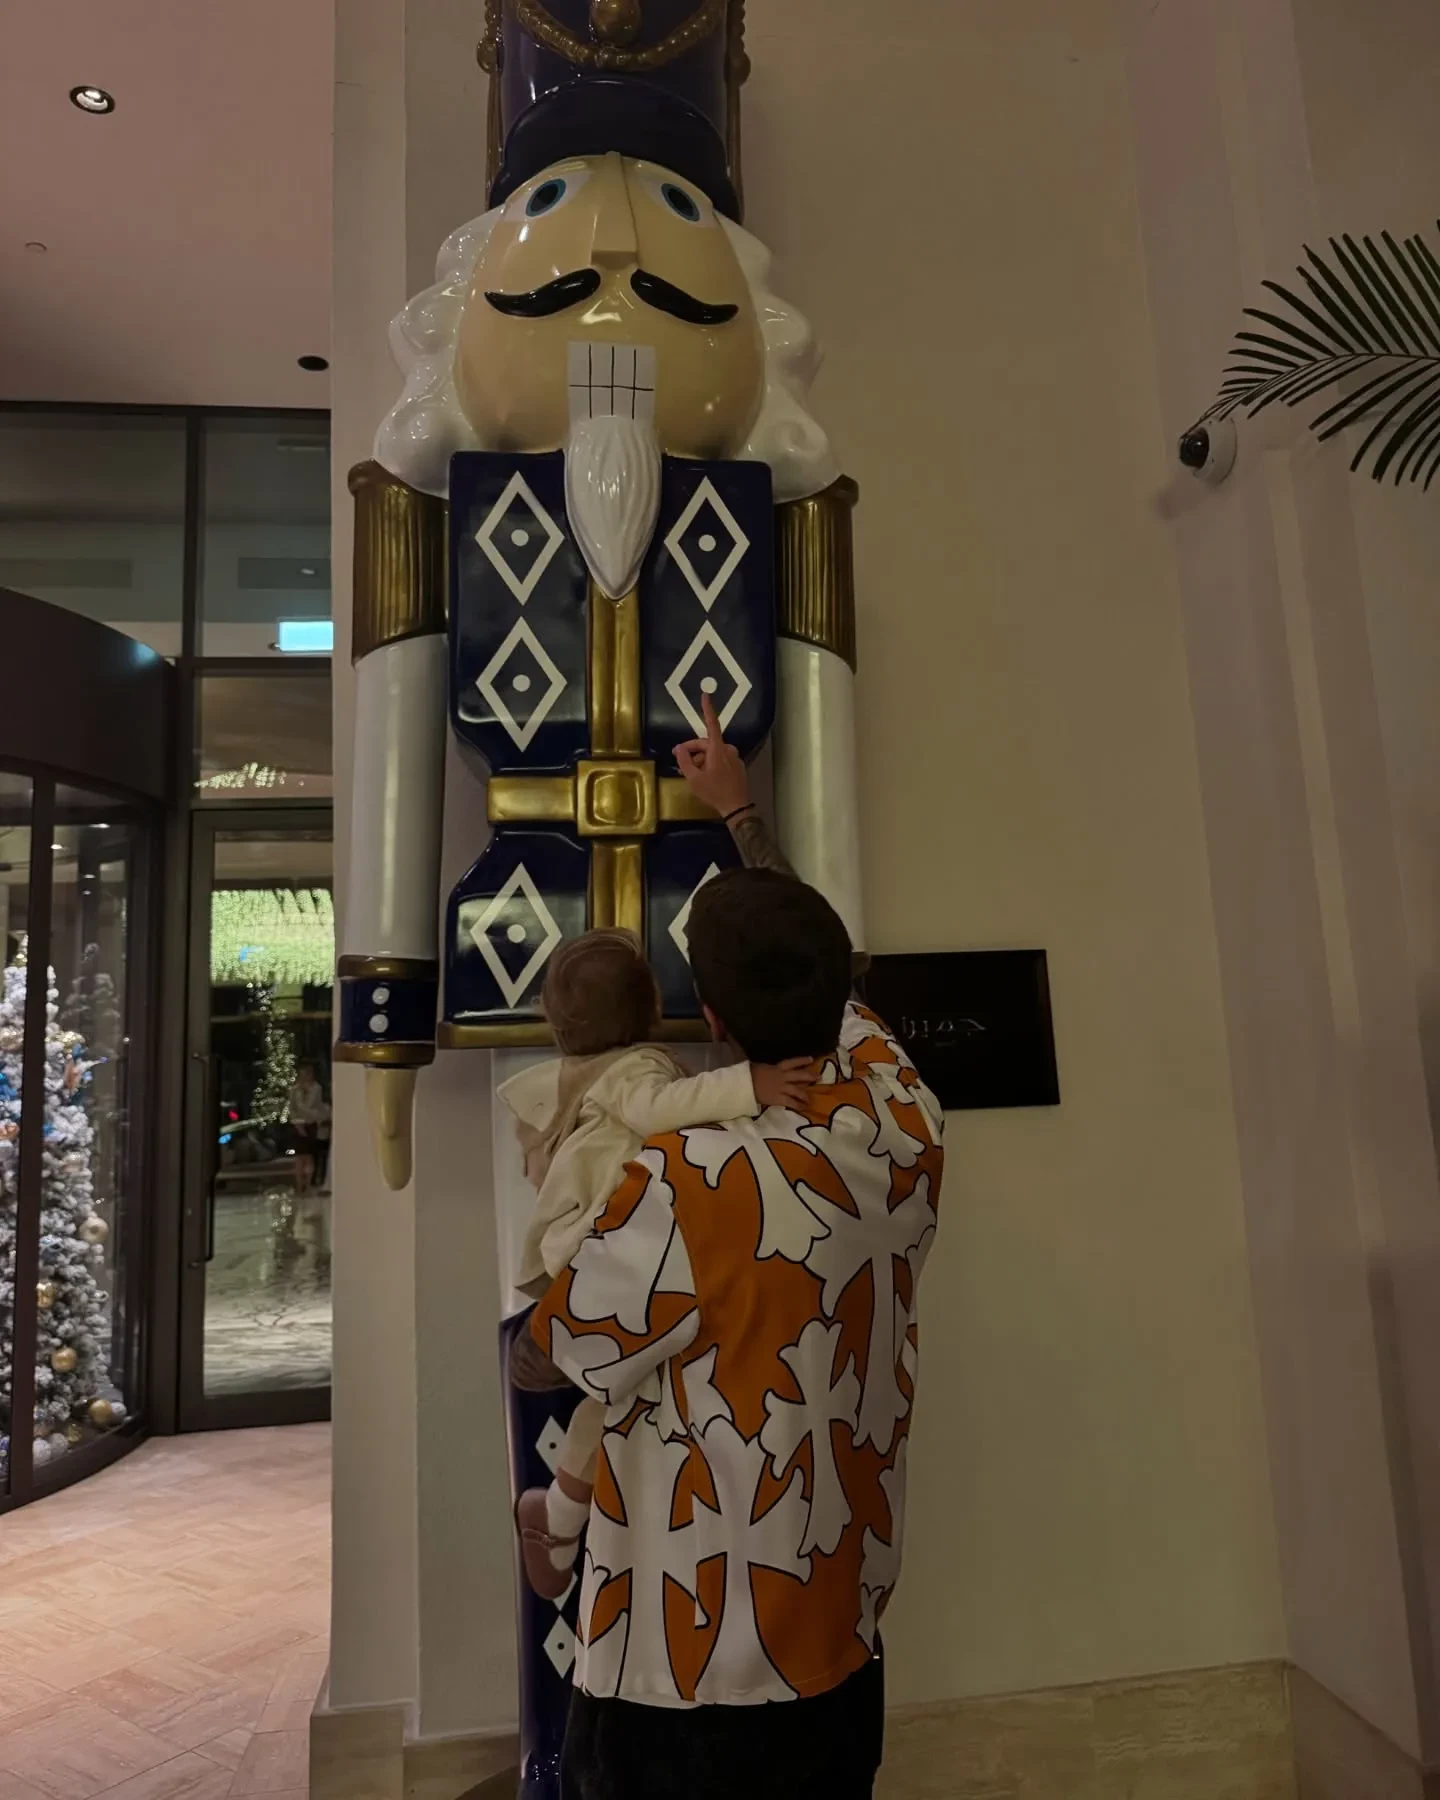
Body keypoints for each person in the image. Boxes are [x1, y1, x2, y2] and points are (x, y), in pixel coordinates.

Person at [531, 697, 945, 1800]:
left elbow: (564, 1347)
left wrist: (569, 1196)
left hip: (687, 1665)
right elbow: (828, 979)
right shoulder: (903, 1117)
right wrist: (741, 815)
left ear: (709, 1019)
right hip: (838, 1628)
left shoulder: (688, 1181)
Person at [501, 929, 813, 1600]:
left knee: (618, 1396)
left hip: (592, 1253)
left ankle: (558, 1520)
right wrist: (752, 1084)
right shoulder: (634, 1072)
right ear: (651, 1008)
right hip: (615, 1250)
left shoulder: (578, 1078)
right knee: (629, 1394)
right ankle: (561, 1519)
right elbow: (664, 1109)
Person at [287, 1061, 330, 1195]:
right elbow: (292, 1108)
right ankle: (299, 1185)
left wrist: (311, 1116)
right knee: (299, 1157)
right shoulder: (294, 1090)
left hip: (311, 1124)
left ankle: (308, 1184)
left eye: (308, 1072)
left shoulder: (317, 1088)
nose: (306, 1075)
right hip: (297, 1125)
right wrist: (297, 1122)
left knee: (309, 1156)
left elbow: (316, 1108)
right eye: (303, 1072)